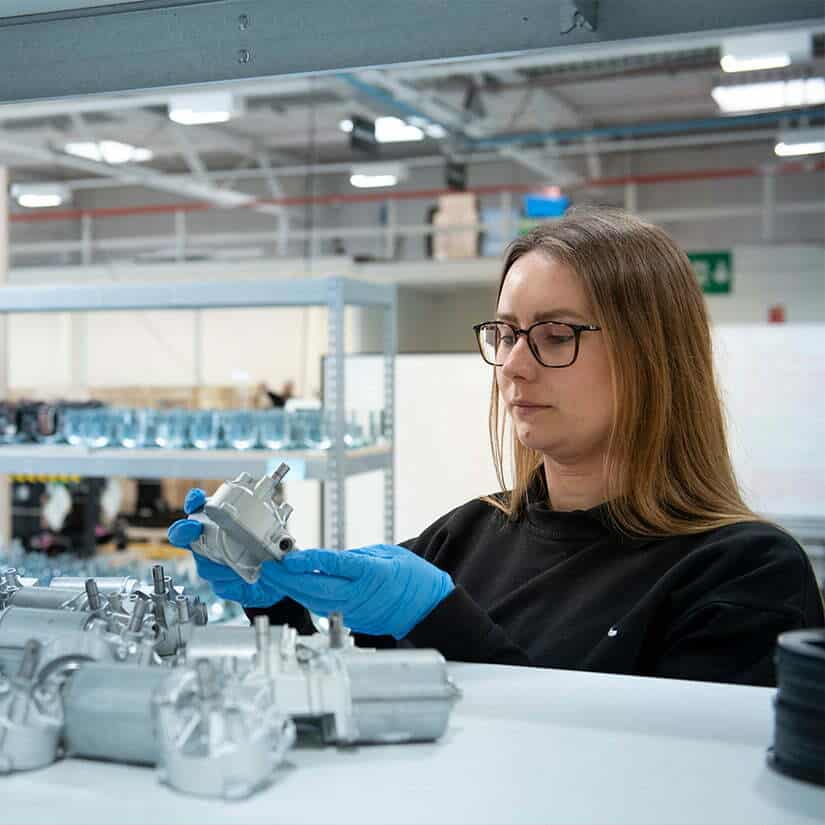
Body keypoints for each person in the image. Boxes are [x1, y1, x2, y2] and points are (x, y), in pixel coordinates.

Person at [169, 207, 824, 687]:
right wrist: (271, 601)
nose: (512, 365)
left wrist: (441, 620)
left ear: (651, 356)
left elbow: (655, 786)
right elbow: (339, 686)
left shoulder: (744, 574)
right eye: (506, 333)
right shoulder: (469, 532)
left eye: (555, 334)